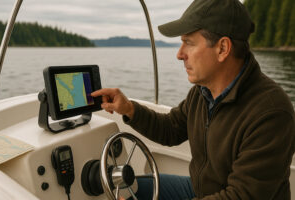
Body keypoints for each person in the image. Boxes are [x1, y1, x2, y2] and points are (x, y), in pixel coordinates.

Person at [91, 0, 295, 199]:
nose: (180, 55)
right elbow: (170, 129)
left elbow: (241, 195)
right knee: (126, 187)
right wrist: (128, 108)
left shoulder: (272, 112)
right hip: (201, 190)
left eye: (188, 43)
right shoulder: (202, 92)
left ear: (222, 48)